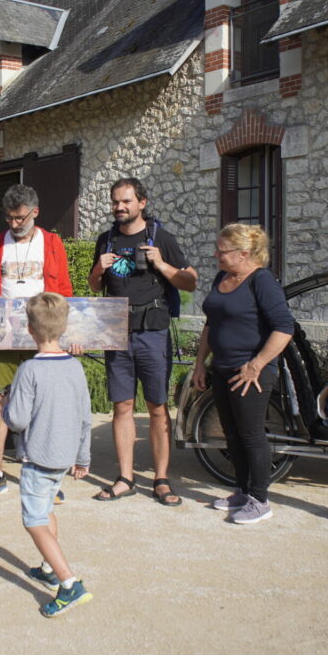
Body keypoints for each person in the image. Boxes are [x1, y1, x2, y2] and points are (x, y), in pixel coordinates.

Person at [88, 178, 196, 506]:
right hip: (115, 329)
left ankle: (161, 480)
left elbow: (191, 281)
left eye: (126, 201)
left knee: (157, 407)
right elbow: (95, 287)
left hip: (152, 330)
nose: (120, 207)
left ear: (142, 203)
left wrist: (161, 263)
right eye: (115, 202)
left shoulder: (161, 237)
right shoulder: (106, 240)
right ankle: (125, 478)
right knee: (121, 405)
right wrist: (98, 267)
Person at [0, 184, 74, 502]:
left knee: (43, 406)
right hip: (3, 335)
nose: (14, 224)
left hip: (43, 335)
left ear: (35, 212)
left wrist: (66, 335)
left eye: (19, 218)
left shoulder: (52, 243)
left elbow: (65, 291)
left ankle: (44, 475)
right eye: (10, 218)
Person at [192, 224, 294, 524]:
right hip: (222, 369)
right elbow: (211, 324)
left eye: (222, 251)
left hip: (251, 372)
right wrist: (201, 362)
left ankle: (260, 500)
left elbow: (284, 327)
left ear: (244, 253)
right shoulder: (222, 277)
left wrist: (256, 364)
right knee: (231, 434)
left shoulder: (262, 281)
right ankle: (242, 490)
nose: (216, 255)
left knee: (251, 435)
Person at [2, 292, 93, 618]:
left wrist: (6, 407)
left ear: (29, 329)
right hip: (66, 456)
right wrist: (83, 458)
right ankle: (48, 567)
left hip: (39, 457)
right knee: (47, 508)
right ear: (64, 326)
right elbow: (86, 416)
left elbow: (18, 420)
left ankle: (69, 584)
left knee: (35, 520)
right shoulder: (75, 366)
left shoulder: (28, 369)